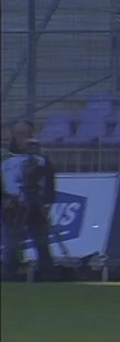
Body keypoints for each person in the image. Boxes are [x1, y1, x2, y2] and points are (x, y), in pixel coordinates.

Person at [1, 120, 57, 282]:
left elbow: (49, 181)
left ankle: (48, 275)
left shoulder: (41, 158)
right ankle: (10, 274)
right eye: (19, 134)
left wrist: (47, 201)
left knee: (41, 241)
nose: (22, 138)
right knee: (12, 243)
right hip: (13, 204)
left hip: (35, 203)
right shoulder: (5, 157)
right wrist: (4, 198)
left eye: (26, 134)